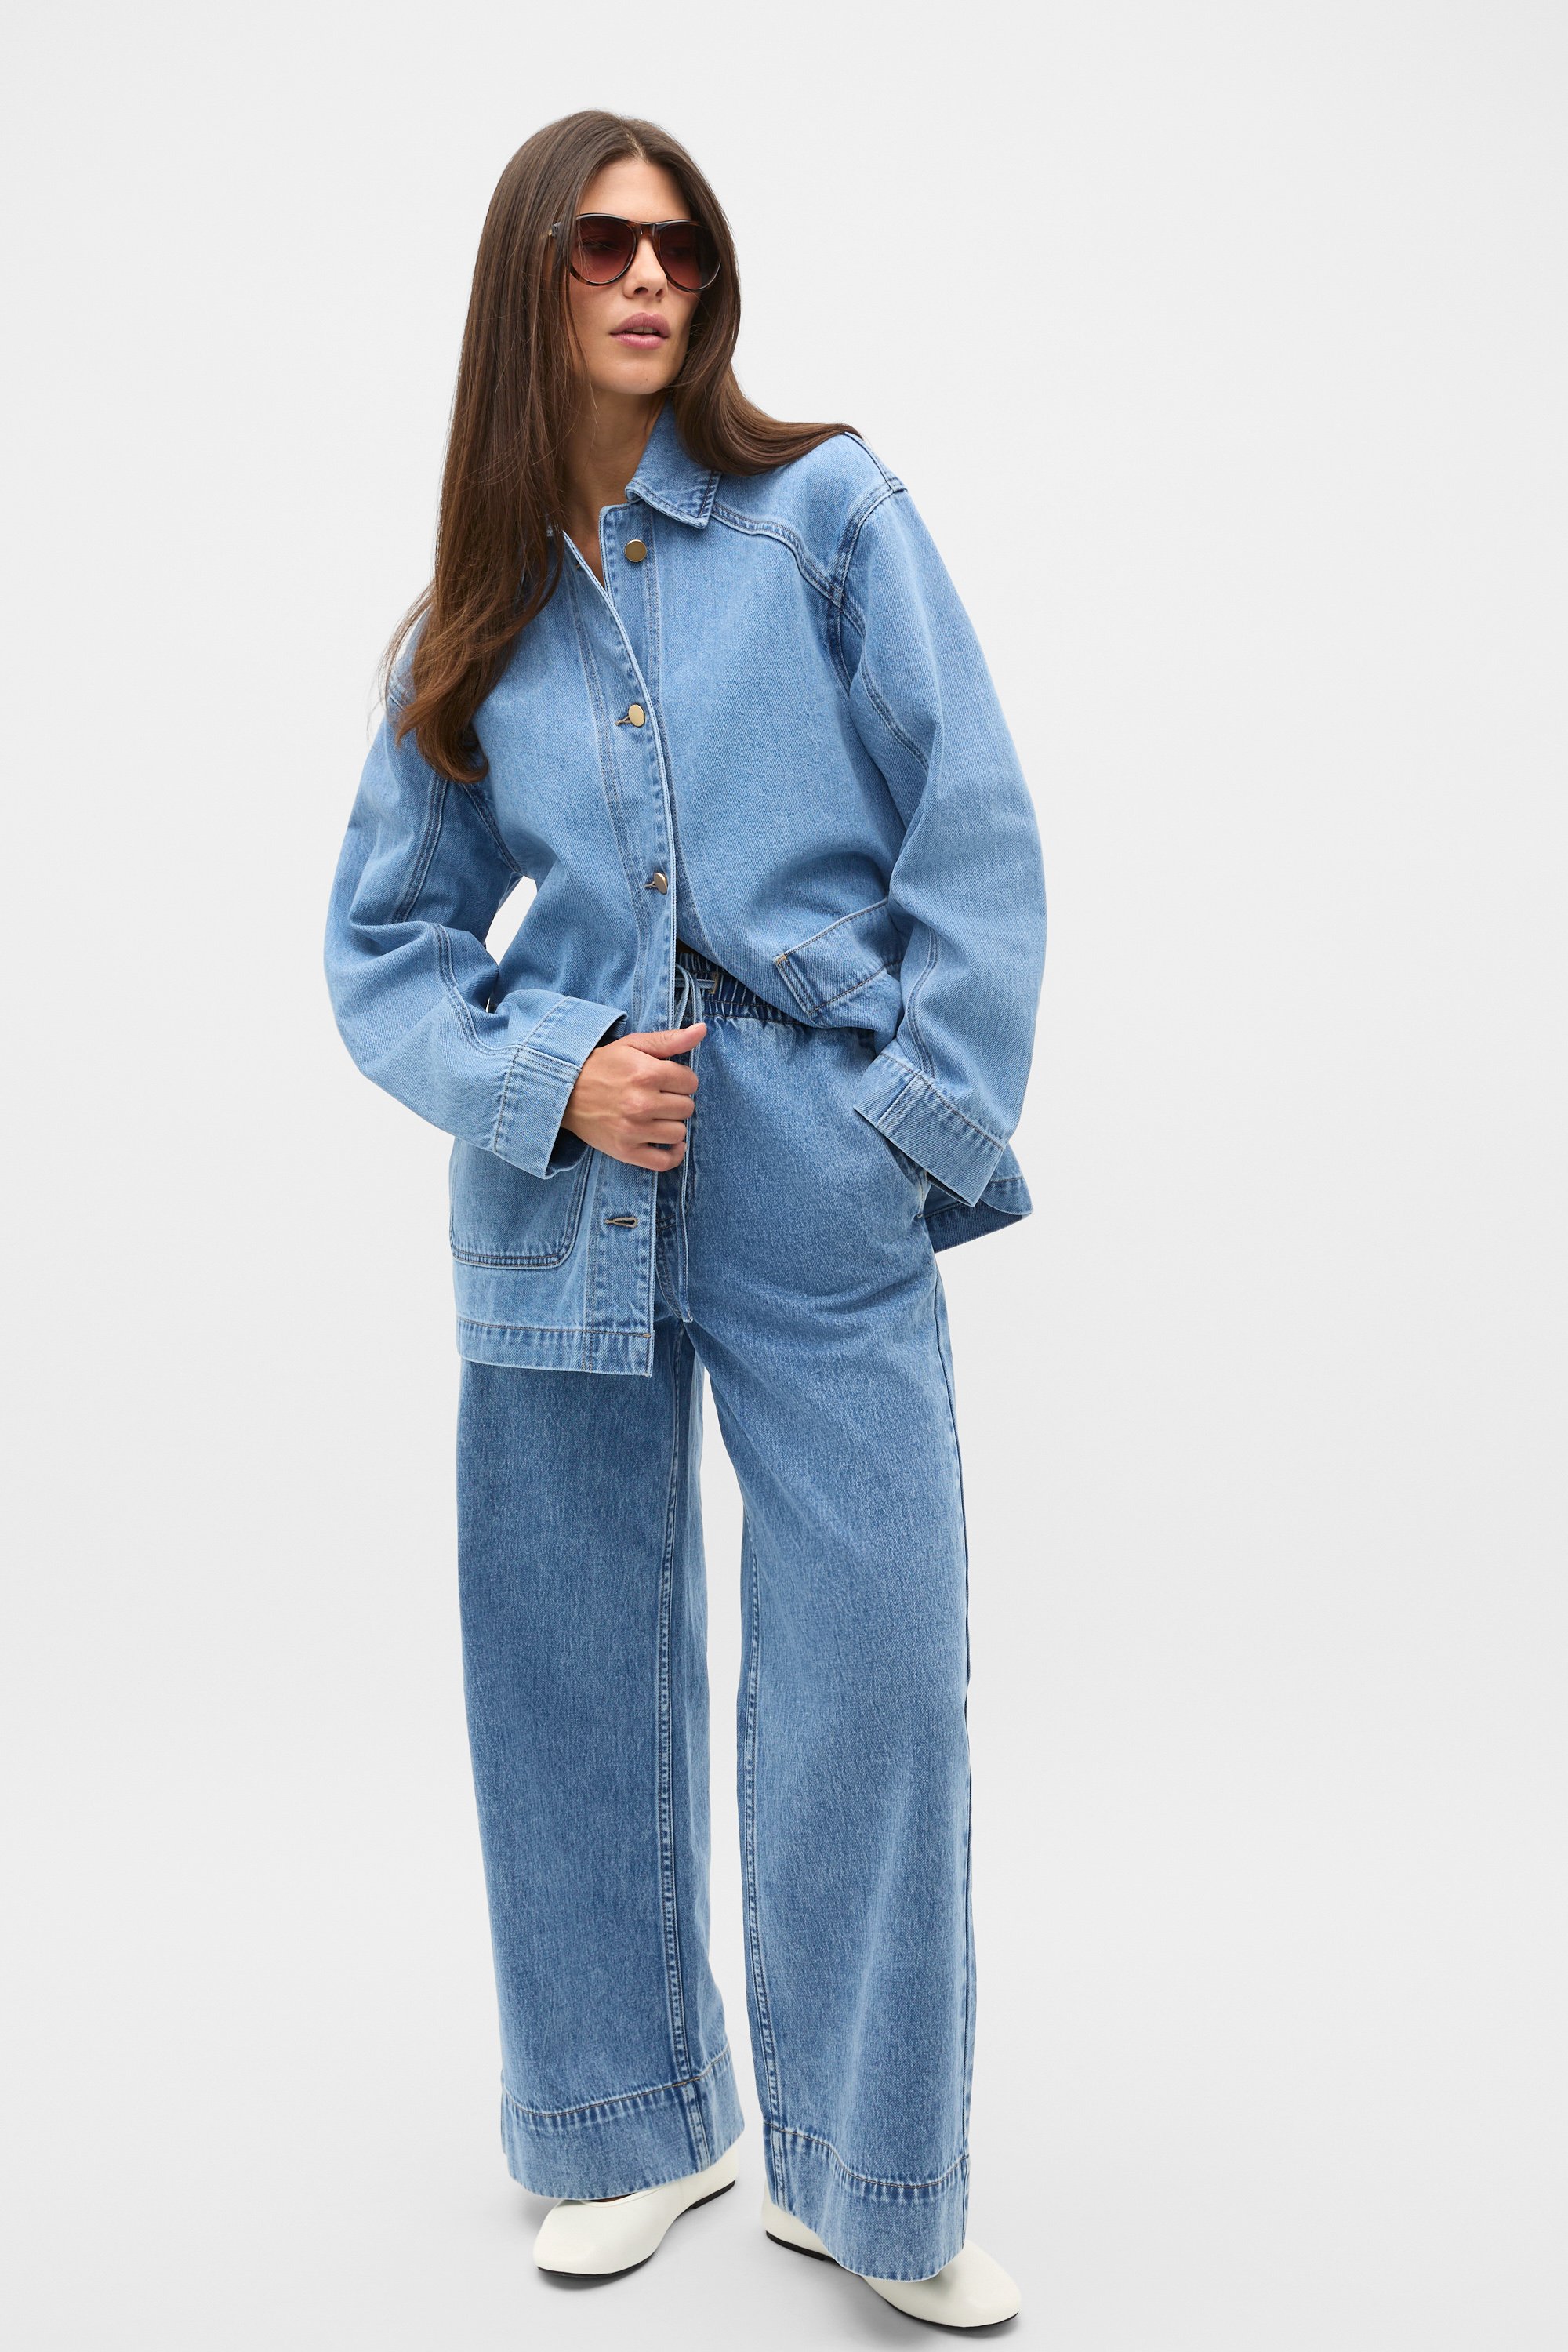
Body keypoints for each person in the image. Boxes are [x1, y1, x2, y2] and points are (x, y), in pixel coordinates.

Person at [324, 108, 1045, 2328]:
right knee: (564, 1657)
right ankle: (631, 2123)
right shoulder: (469, 613)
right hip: (565, 1195)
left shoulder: (828, 514)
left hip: (816, 1163)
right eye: (601, 245)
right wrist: (551, 1080)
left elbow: (974, 825)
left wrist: (911, 1128)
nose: (652, 278)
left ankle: (865, 2172)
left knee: (875, 1668)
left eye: (681, 247)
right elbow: (384, 949)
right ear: (526, 282)